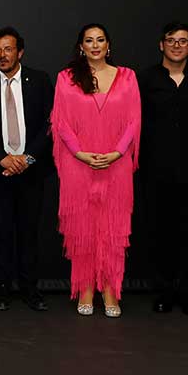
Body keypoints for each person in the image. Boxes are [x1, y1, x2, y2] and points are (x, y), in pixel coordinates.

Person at [51, 23, 140, 318]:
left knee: (114, 230)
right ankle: (85, 288)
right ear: (81, 46)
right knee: (83, 230)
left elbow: (133, 121)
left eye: (101, 39)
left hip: (116, 164)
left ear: (108, 45)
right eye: (89, 40)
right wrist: (80, 153)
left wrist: (116, 152)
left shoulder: (127, 77)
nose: (95, 45)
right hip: (79, 163)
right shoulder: (67, 78)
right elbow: (60, 121)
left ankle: (111, 291)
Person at [0, 26, 54, 312]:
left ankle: (31, 289)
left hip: (32, 170)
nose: (2, 55)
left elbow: (50, 124)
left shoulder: (41, 81)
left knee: (29, 232)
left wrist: (28, 157)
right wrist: (2, 158)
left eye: (8, 49)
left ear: (20, 52)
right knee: (1, 231)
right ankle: (2, 289)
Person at [137, 22, 188, 316]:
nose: (177, 45)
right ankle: (164, 291)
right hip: (155, 169)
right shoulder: (144, 79)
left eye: (183, 41)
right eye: (171, 40)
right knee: (159, 232)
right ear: (161, 45)